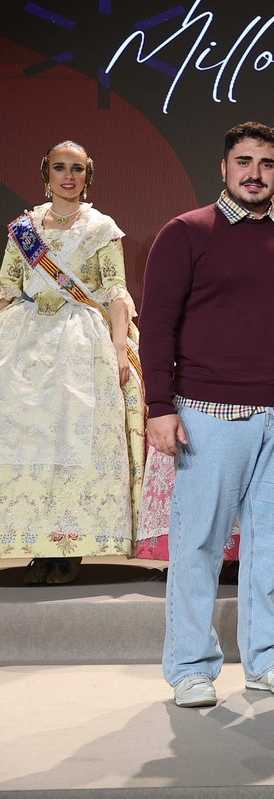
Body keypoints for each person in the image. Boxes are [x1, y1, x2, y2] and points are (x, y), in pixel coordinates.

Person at [140, 122, 274, 708]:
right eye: (243, 161)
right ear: (224, 168)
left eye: (266, 163)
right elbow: (157, 325)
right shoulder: (185, 232)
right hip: (209, 414)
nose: (254, 173)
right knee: (198, 543)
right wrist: (158, 406)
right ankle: (191, 668)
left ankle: (267, 659)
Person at [0, 141, 144, 585]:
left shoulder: (102, 228)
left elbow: (116, 291)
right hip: (25, 342)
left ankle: (71, 547)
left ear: (88, 175)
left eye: (77, 169)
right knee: (27, 439)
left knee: (72, 436)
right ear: (46, 173)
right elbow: (7, 288)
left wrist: (119, 348)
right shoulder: (24, 230)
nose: (69, 176)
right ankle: (38, 545)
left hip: (81, 340)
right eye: (60, 168)